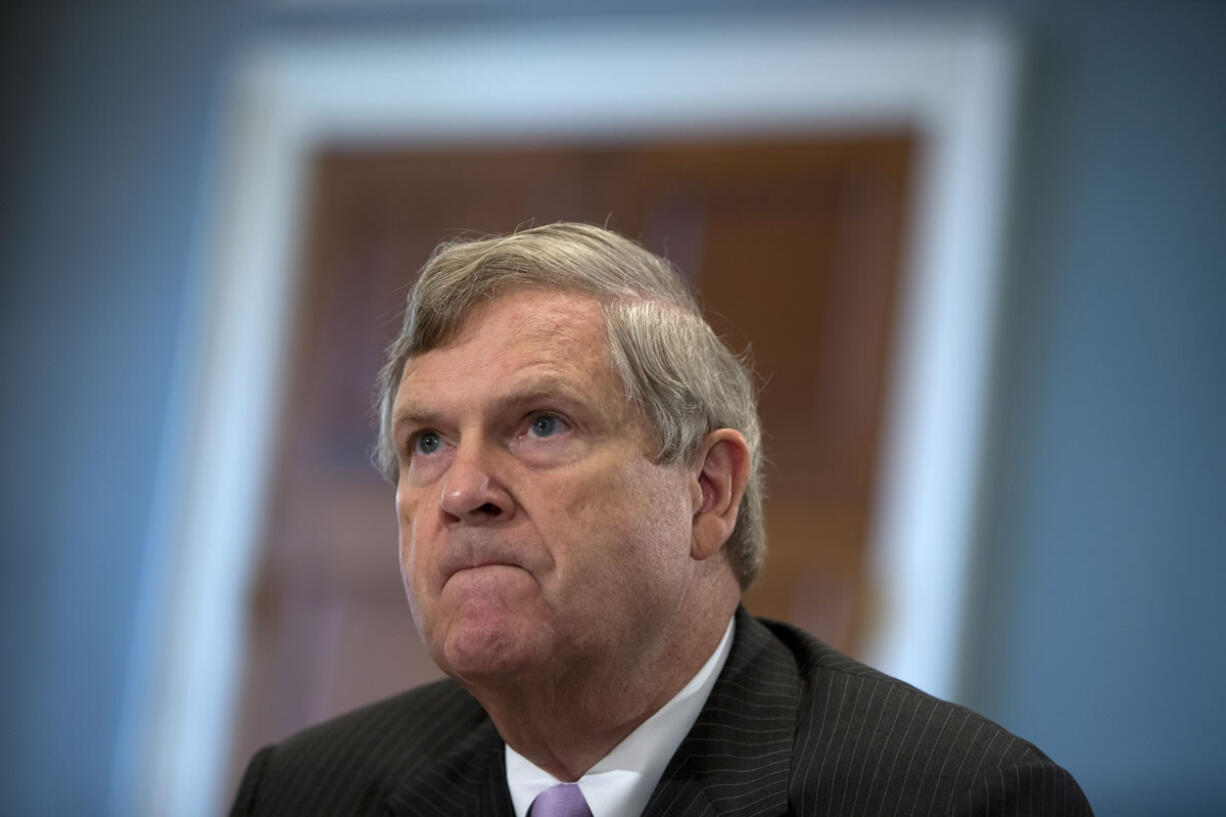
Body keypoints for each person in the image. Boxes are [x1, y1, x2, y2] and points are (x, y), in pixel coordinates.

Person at [230, 223, 1093, 816]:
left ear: (707, 491)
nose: (462, 491)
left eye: (541, 424)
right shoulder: (308, 789)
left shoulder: (958, 798)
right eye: (426, 441)